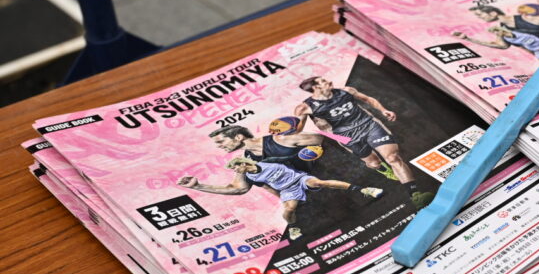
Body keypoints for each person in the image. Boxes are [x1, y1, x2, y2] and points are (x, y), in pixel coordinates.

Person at [293, 77, 433, 209]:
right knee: (373, 163)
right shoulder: (304, 108)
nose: (329, 81)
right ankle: (383, 169)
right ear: (316, 87)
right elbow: (297, 129)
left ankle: (415, 195)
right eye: (323, 81)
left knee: (393, 158)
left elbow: (368, 99)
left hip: (369, 126)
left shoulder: (346, 91)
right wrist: (289, 128)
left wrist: (384, 110)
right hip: (346, 136)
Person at [178, 157, 382, 240]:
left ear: (242, 163)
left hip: (299, 178)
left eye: (236, 168)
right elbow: (234, 189)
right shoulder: (249, 177)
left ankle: (365, 189)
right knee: (289, 210)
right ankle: (294, 227)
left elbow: (295, 155)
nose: (236, 171)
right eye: (235, 170)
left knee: (318, 182)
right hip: (287, 190)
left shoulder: (269, 160)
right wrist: (198, 186)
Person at [208, 124, 324, 170]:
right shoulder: (249, 158)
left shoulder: (281, 139)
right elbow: (241, 188)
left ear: (238, 137)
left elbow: (327, 139)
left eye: (221, 141)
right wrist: (199, 186)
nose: (219, 146)